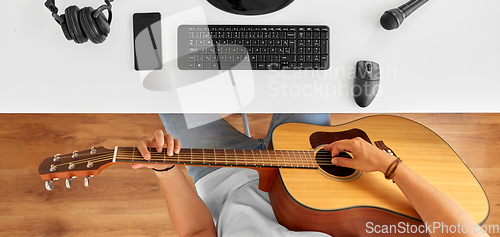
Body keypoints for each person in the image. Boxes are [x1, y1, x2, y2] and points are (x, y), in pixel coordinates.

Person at [131, 114, 489, 237]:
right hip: (314, 163)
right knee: (308, 37)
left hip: (223, 173)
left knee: (163, 52)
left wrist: (167, 172)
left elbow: (197, 231)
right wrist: (389, 166)